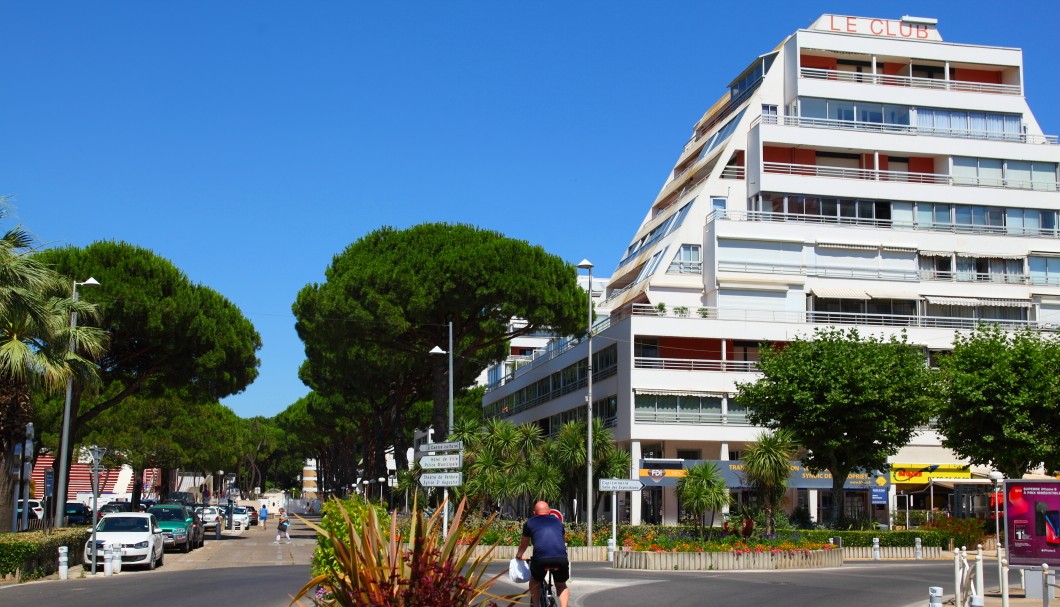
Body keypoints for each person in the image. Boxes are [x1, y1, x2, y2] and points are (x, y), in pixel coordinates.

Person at [515, 500, 570, 607]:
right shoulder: (558, 522)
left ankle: (535, 605)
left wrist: (519, 555)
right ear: (550, 512)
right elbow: (562, 541)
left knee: (535, 580)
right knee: (561, 585)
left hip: (541, 559)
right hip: (560, 558)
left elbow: (524, 544)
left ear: (534, 513)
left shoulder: (530, 523)